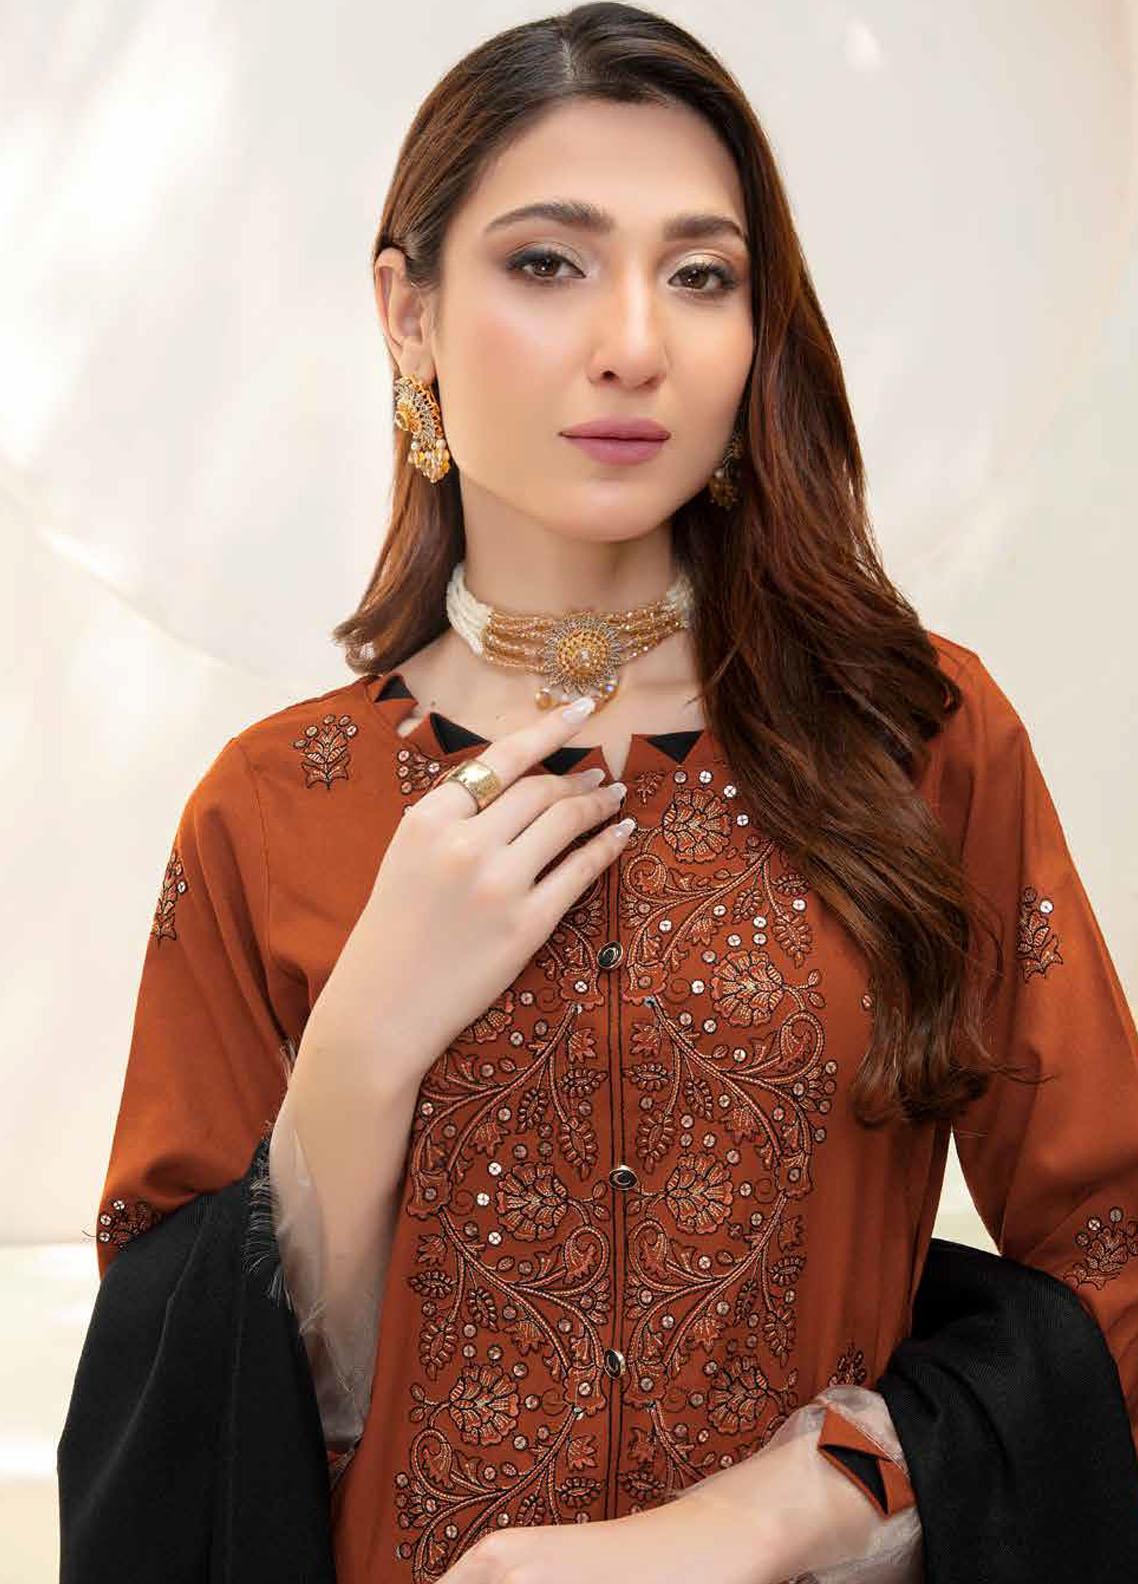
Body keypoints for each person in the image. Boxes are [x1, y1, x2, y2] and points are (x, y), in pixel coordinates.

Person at [58, 5, 1138, 1582]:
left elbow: (1112, 1261)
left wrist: (777, 1512)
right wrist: (361, 1048)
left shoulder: (912, 739)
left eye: (699, 275)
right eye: (548, 262)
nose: (634, 341)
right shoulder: (273, 807)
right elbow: (171, 1425)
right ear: (408, 314)